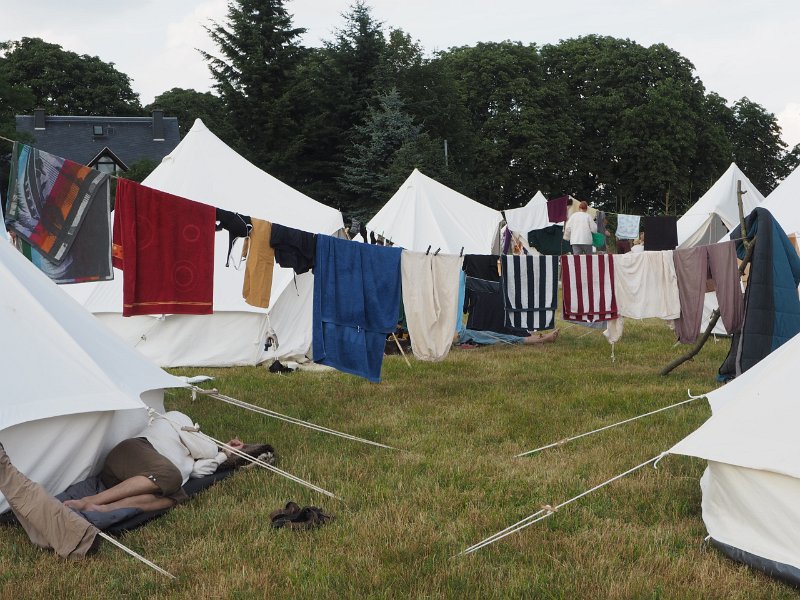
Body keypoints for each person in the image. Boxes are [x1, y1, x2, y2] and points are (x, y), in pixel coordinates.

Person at [63, 411, 243, 514]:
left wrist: (225, 453)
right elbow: (208, 450)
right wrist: (218, 450)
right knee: (171, 476)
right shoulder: (176, 418)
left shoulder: (186, 460)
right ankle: (88, 500)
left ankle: (103, 508)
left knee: (177, 496)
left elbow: (199, 471)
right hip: (133, 453)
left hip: (143, 479)